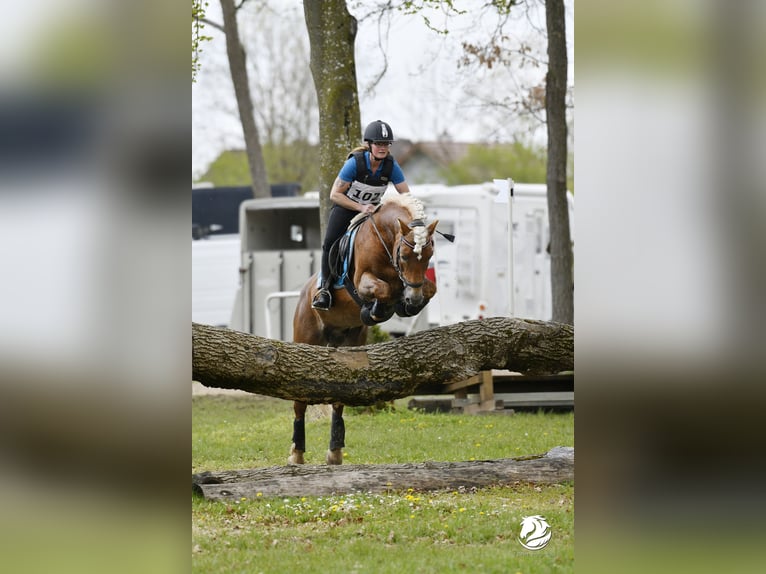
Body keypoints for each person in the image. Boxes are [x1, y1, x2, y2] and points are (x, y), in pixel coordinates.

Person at [312, 120, 411, 310]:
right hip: (347, 207)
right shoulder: (354, 163)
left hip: (373, 211)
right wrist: (359, 207)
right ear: (369, 145)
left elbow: (406, 195)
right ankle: (323, 288)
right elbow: (335, 195)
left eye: (386, 144)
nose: (383, 148)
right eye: (379, 144)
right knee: (330, 241)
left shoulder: (391, 166)